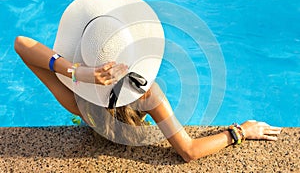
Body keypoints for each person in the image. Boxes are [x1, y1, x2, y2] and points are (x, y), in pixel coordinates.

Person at [14, 35, 281, 162]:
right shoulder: (147, 94)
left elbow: (21, 44)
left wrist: (79, 73)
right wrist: (241, 131)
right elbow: (189, 151)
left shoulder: (79, 101)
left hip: (94, 124)